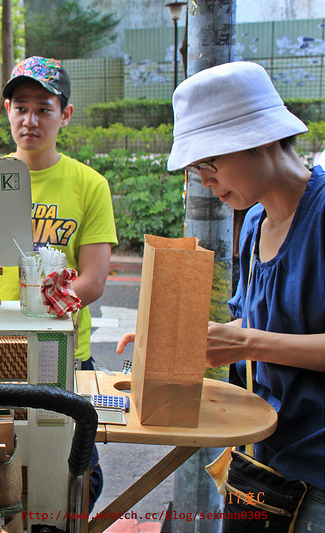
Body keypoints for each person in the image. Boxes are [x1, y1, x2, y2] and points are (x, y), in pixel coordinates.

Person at [119, 61, 324, 531]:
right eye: (197, 169)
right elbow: (261, 324)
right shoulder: (252, 223)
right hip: (260, 460)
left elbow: (259, 338)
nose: (205, 181)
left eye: (210, 163)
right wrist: (175, 337)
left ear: (263, 137)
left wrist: (248, 343)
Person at [0, 56, 116, 510]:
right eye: (21, 106)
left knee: (73, 475)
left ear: (64, 115)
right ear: (6, 108)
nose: (30, 119)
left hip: (62, 351)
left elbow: (94, 279)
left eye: (44, 108)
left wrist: (39, 314)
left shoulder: (90, 185)